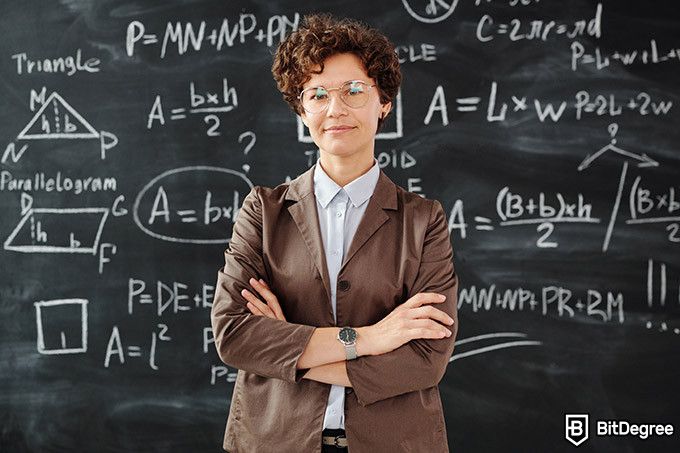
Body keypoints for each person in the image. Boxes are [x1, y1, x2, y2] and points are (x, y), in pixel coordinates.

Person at [210, 13, 459, 453]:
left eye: (354, 91)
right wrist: (369, 339)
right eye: (317, 93)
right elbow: (235, 335)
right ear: (301, 108)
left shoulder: (424, 220)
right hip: (274, 441)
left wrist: (289, 349)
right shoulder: (263, 212)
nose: (335, 109)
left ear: (383, 102)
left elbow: (424, 360)